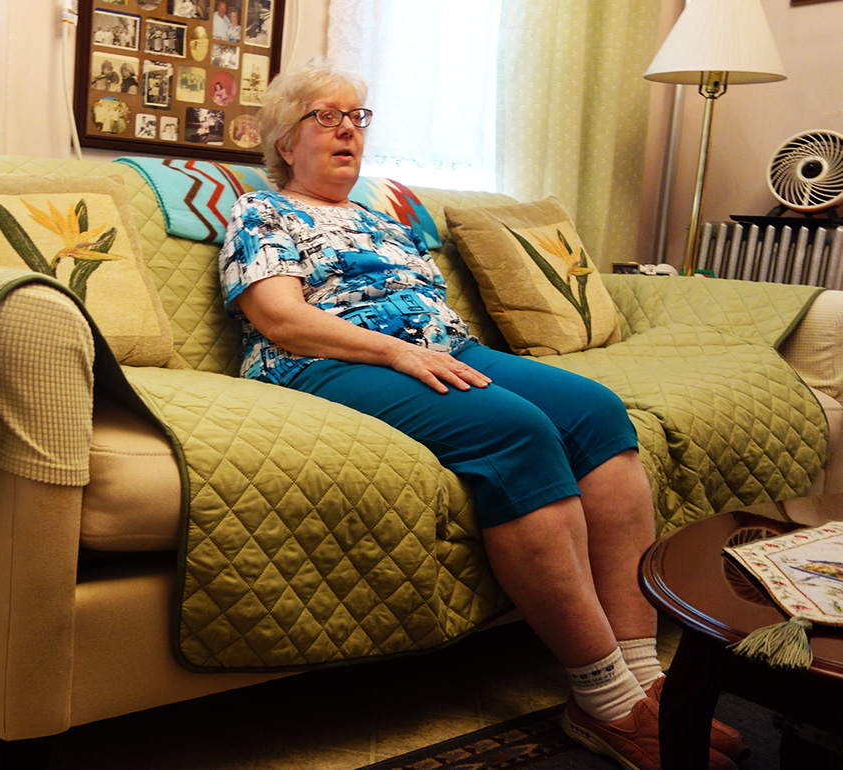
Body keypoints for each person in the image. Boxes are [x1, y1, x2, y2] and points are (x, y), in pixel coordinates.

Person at [218, 59, 745, 770]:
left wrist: (435, 351)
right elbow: (280, 318)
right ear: (286, 141)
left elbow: (439, 315)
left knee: (597, 411)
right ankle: (604, 699)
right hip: (328, 361)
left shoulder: (386, 218)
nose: (348, 130)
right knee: (514, 431)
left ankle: (646, 682)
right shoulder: (261, 212)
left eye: (357, 118)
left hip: (441, 348)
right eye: (327, 117)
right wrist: (395, 353)